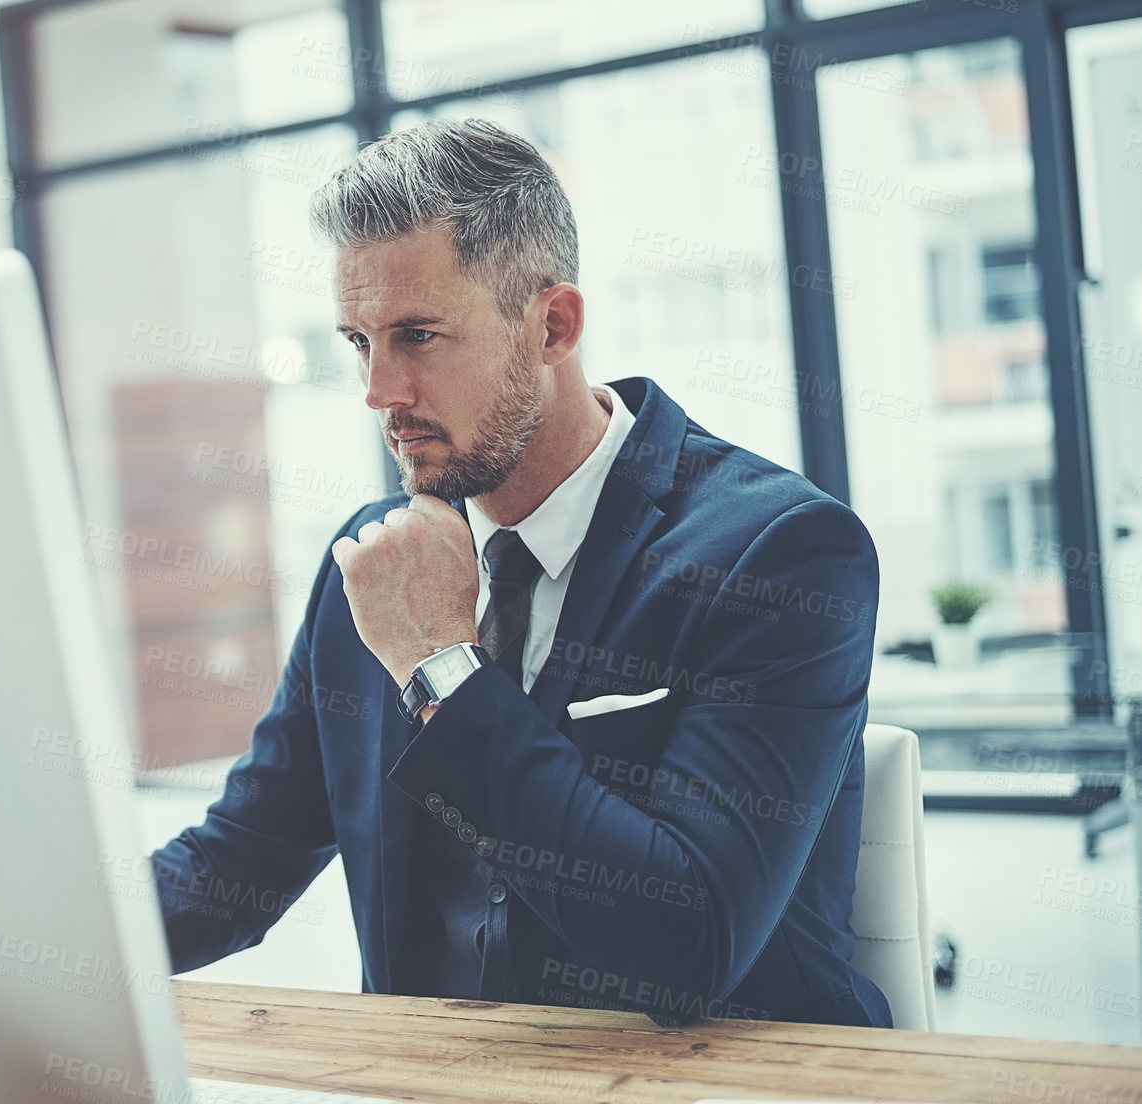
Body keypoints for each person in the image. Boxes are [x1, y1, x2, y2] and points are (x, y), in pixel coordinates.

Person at [149, 117, 892, 1028]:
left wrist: (439, 665)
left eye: (418, 335)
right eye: (358, 341)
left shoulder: (780, 551)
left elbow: (688, 947)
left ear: (552, 325)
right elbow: (236, 866)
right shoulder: (372, 562)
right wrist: (9, 945)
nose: (378, 391)